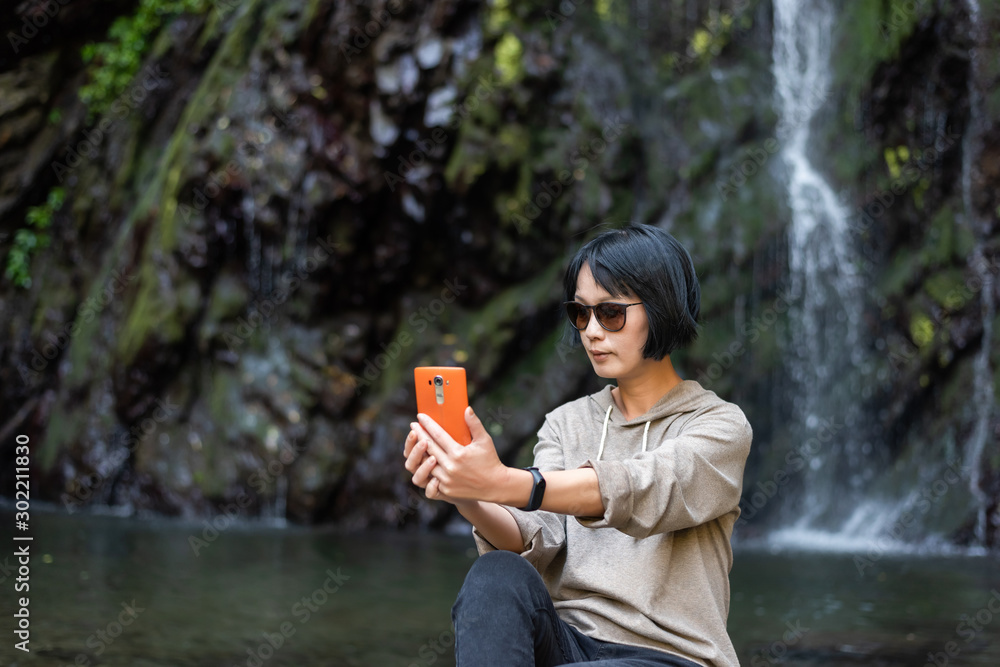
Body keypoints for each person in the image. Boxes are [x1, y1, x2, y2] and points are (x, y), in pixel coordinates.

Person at [403, 224, 752, 666]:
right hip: (569, 646)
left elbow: (645, 486)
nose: (591, 331)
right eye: (580, 313)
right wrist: (469, 493)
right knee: (496, 573)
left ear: (662, 308)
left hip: (667, 654)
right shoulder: (566, 423)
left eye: (610, 313)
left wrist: (506, 481)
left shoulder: (719, 425)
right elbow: (537, 537)